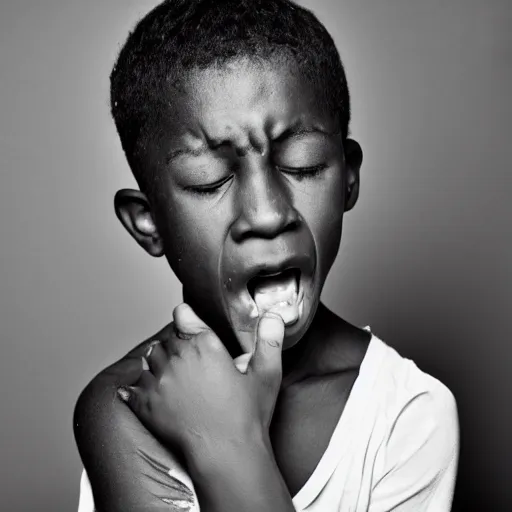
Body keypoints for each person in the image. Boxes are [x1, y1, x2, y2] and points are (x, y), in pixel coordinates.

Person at [73, 1, 460, 510]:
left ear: (348, 176)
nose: (267, 213)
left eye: (302, 163)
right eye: (209, 180)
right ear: (149, 223)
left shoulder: (407, 414)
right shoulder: (125, 405)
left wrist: (230, 444)